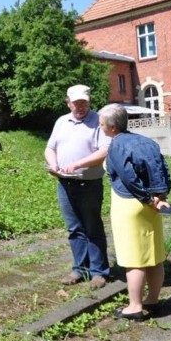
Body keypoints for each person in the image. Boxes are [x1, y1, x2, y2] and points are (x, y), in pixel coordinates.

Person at [98, 104, 171, 321]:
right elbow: (163, 169)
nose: (100, 127)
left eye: (102, 124)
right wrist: (160, 197)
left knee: (134, 259)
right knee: (155, 256)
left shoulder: (116, 146)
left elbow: (129, 179)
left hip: (129, 205)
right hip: (153, 206)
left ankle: (135, 306)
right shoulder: (146, 141)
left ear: (111, 127)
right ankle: (153, 299)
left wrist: (146, 198)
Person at [45, 84, 111, 289]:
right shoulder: (61, 121)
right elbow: (50, 147)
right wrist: (54, 164)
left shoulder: (98, 121)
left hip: (89, 183)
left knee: (93, 227)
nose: (80, 107)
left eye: (84, 103)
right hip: (64, 183)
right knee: (74, 229)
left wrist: (78, 164)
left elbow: (104, 150)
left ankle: (99, 272)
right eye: (76, 103)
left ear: (89, 102)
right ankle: (79, 269)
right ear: (68, 103)